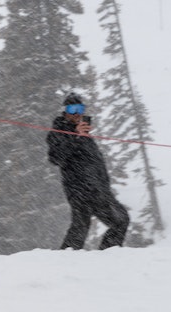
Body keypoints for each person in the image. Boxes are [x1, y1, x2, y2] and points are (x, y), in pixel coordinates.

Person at [46, 93, 129, 251]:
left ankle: (69, 256)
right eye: (72, 109)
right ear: (65, 112)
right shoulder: (59, 131)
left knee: (83, 225)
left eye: (80, 108)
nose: (77, 113)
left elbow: (94, 162)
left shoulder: (85, 135)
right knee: (117, 220)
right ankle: (105, 254)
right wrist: (75, 136)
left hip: (96, 187)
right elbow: (56, 157)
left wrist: (104, 184)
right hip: (79, 188)